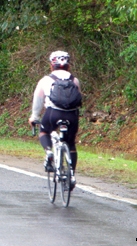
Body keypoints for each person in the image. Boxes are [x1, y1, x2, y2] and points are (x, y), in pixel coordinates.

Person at [28, 50, 82, 190]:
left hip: (53, 114)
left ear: (52, 65)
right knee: (70, 144)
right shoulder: (74, 80)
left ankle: (49, 152)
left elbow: (38, 100)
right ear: (68, 65)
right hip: (72, 115)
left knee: (44, 132)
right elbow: (78, 99)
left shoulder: (46, 80)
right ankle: (71, 175)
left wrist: (34, 117)